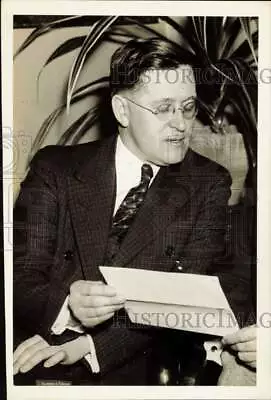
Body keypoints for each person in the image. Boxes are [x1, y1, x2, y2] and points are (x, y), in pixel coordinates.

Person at [13, 38, 255, 385]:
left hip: (133, 363)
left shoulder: (207, 183)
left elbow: (179, 304)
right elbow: (19, 276)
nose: (181, 124)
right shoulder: (57, 169)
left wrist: (87, 345)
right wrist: (66, 307)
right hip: (40, 346)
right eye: (163, 108)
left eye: (187, 107)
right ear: (122, 111)